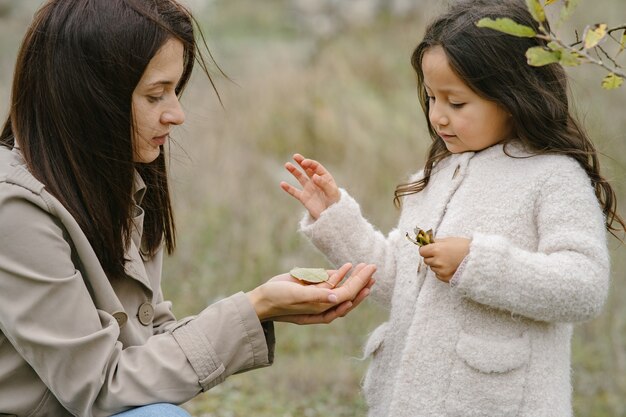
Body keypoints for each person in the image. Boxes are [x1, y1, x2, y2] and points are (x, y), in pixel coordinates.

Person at [0, 0, 377, 416]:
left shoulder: (114, 181)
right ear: (87, 96)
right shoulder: (14, 209)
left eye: (175, 91)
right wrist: (255, 306)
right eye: (155, 94)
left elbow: (148, 341)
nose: (177, 114)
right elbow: (100, 386)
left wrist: (262, 305)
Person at [280, 0, 626, 416]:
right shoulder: (435, 176)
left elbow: (583, 287)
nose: (438, 117)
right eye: (431, 98)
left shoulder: (553, 177)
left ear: (512, 96)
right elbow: (398, 282)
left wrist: (475, 263)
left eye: (456, 103)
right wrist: (334, 217)